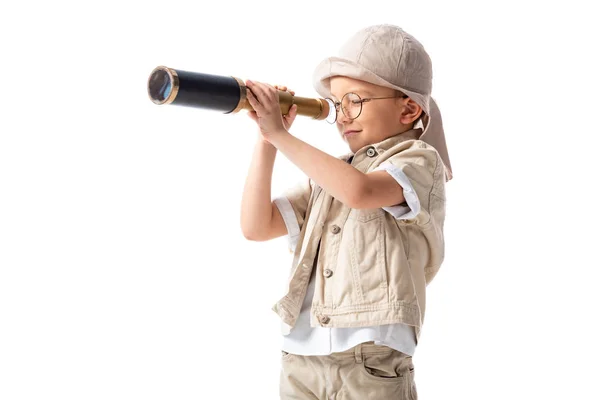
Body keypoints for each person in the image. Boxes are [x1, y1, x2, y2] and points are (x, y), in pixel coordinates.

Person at [240, 24, 452, 400]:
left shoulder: (419, 162)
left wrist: (283, 135)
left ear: (408, 109)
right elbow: (256, 226)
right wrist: (266, 139)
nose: (341, 116)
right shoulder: (327, 179)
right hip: (301, 359)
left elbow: (361, 190)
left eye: (355, 100)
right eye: (337, 105)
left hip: (368, 359)